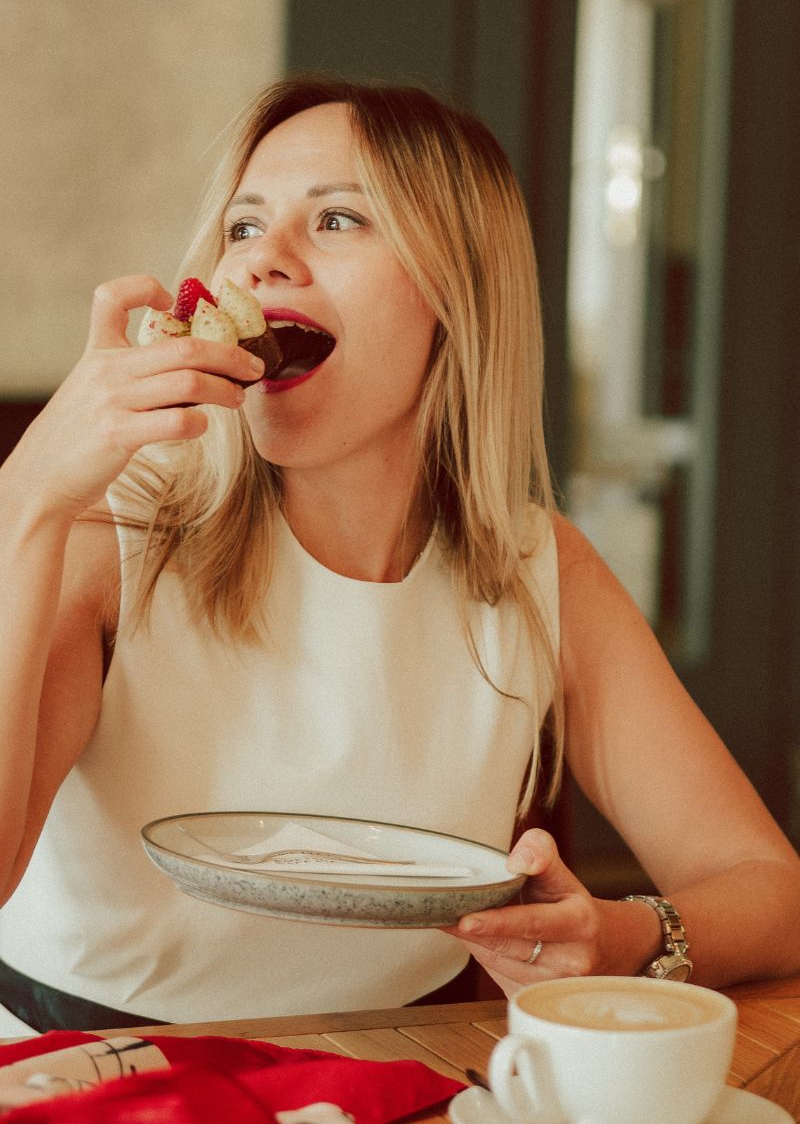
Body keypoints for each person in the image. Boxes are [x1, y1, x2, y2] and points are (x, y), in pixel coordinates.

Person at [0, 76, 798, 1036]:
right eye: (244, 227)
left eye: (336, 219)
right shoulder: (107, 541)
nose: (261, 263)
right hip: (88, 1075)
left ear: (455, 296)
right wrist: (28, 499)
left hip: (398, 1084)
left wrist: (619, 935)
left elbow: (769, 892)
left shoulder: (539, 571)